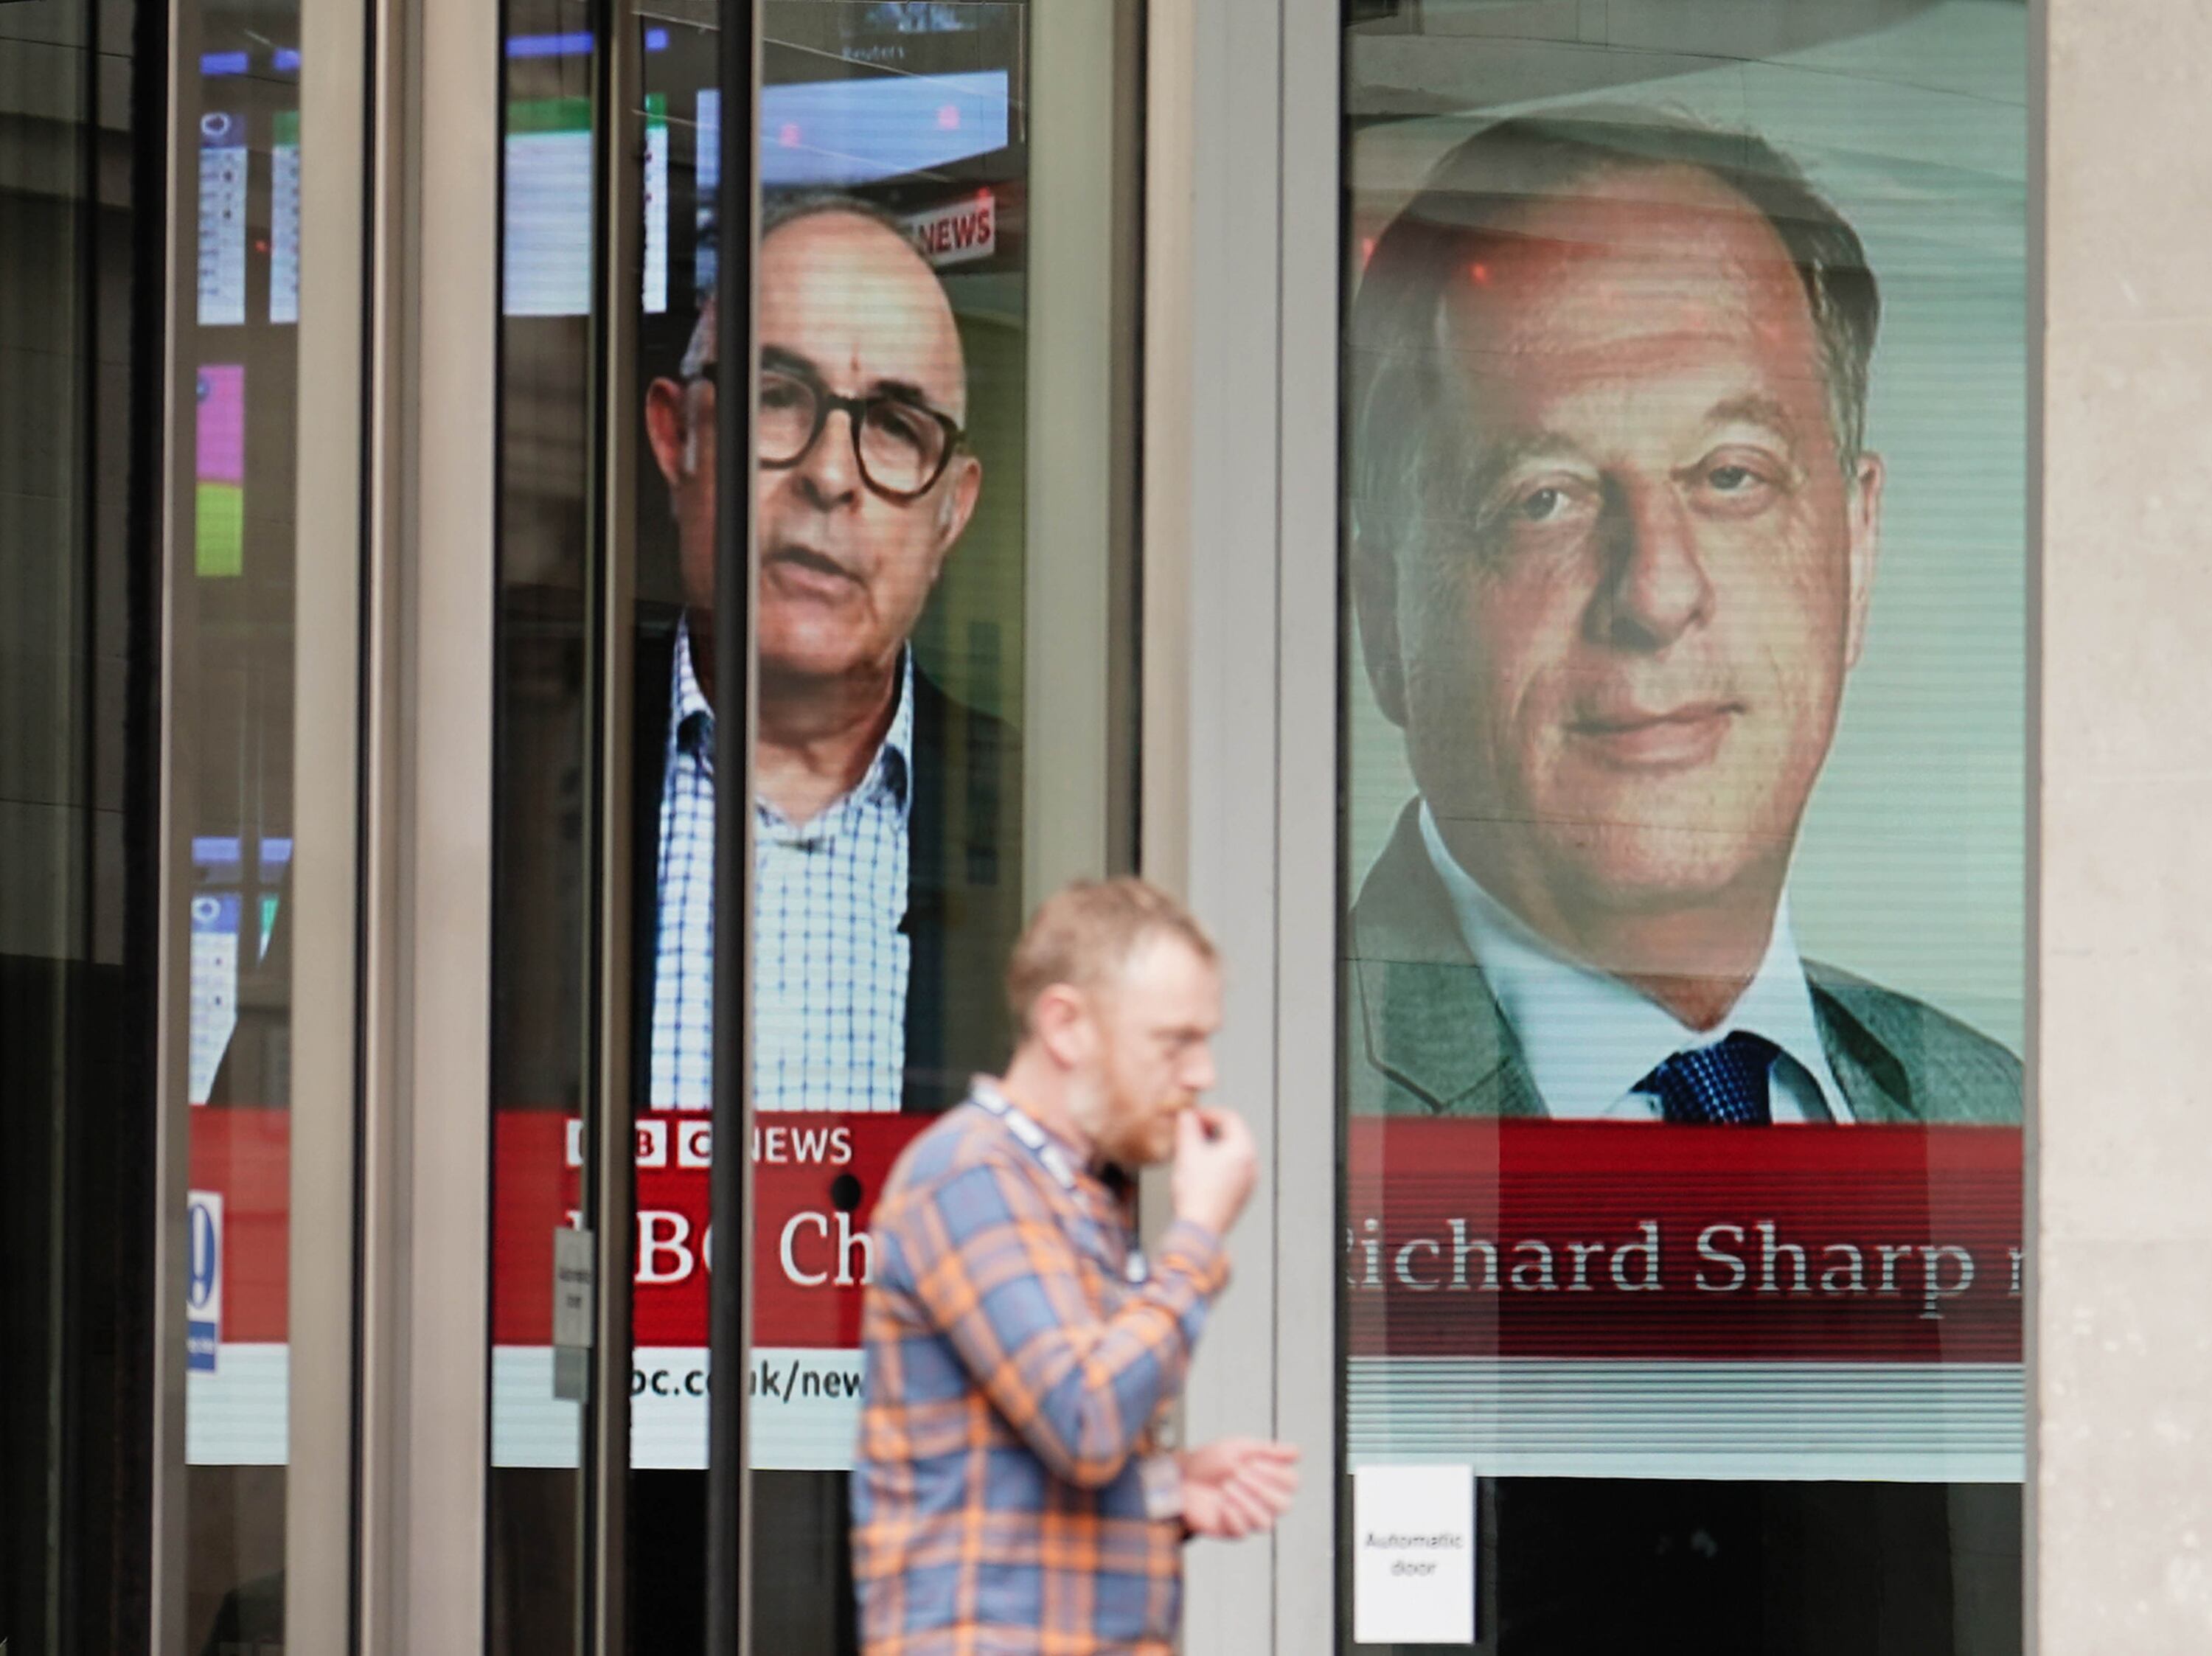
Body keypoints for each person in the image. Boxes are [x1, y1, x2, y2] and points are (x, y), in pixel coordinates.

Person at [1345, 111, 2020, 1127]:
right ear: (1385, 615)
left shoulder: (1998, 1116)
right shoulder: (1245, 1110)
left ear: (1857, 547)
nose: (1657, 593)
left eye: (1732, 476)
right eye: (1545, 498)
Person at [638, 195, 1023, 1116]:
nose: (833, 473)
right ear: (675, 437)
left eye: (895, 426)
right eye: (777, 396)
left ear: (952, 512)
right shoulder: (499, 778)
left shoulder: (1041, 824)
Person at [851, 878, 1300, 1655]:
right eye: (1173, 1041)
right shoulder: (971, 1176)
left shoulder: (1068, 1188)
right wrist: (1196, 1235)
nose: (1201, 1074)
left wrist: (1170, 1489)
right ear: (1065, 1025)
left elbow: (1023, 1465)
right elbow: (1085, 1416)